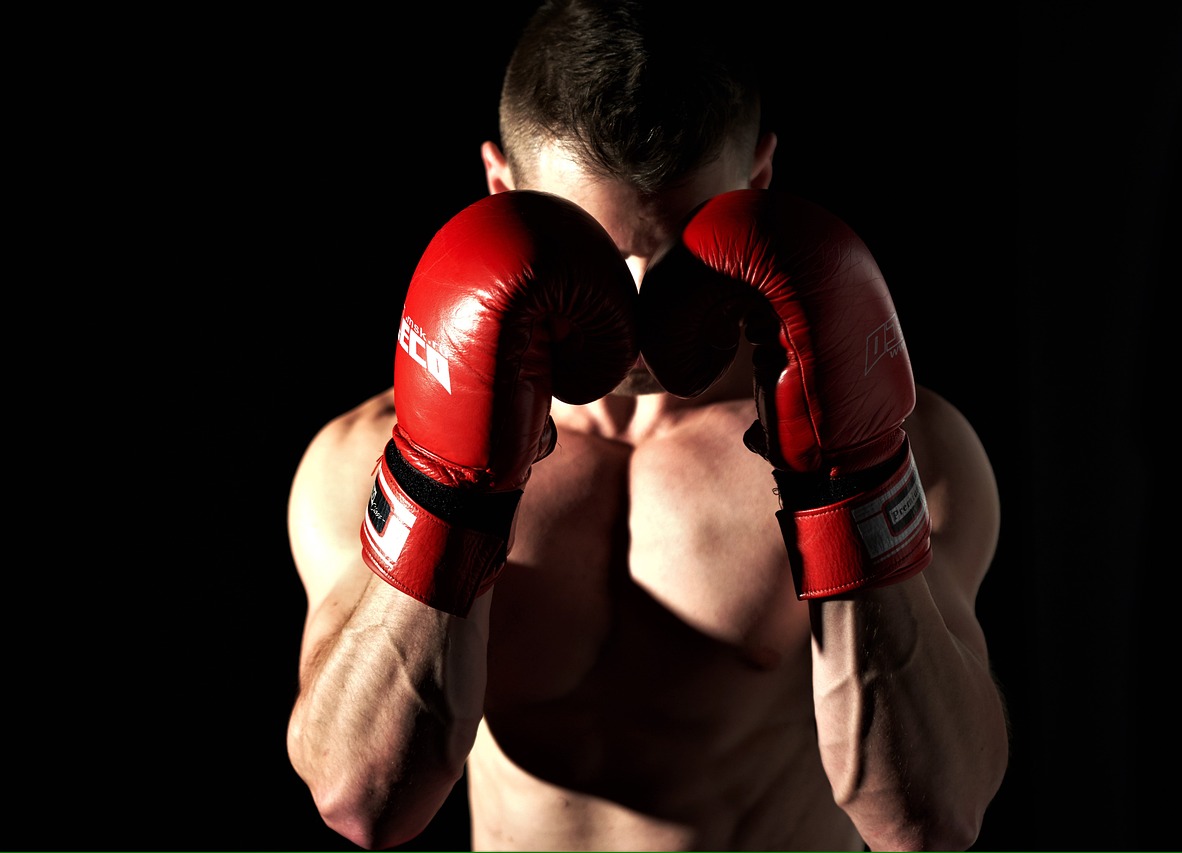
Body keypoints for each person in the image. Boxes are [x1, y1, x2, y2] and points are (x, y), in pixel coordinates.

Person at [285, 1, 1009, 850]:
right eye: (591, 245)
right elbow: (362, 801)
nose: (630, 300)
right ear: (500, 191)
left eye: (673, 257)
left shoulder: (916, 457)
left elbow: (931, 818)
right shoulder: (367, 460)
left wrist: (846, 481)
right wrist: (443, 489)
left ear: (759, 187)